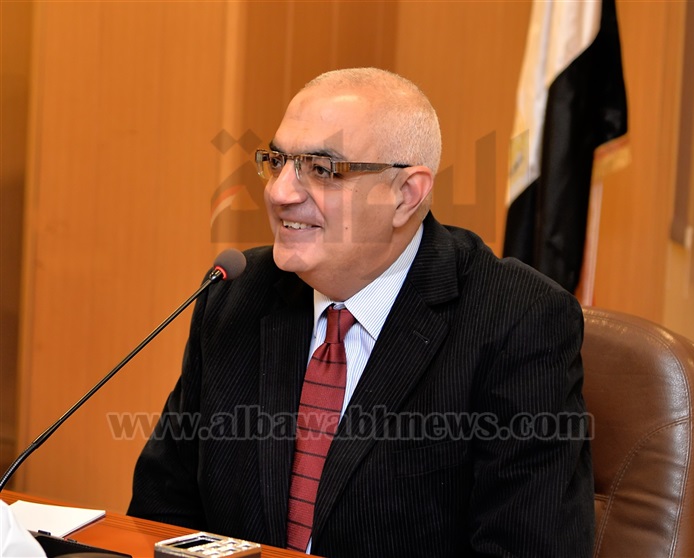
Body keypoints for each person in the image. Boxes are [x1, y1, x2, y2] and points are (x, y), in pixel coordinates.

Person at [128, 67, 594, 557]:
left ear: (406, 195)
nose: (280, 192)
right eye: (278, 161)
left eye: (322, 169)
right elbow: (161, 516)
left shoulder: (518, 320)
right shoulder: (237, 294)